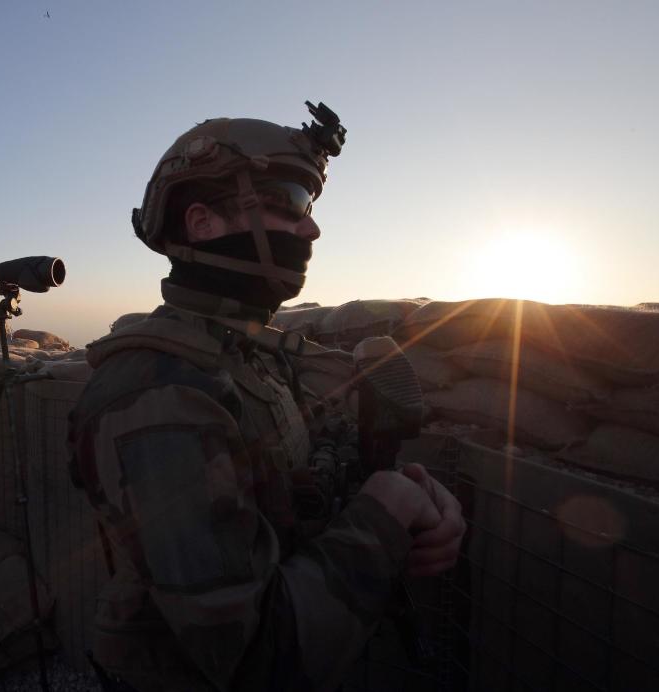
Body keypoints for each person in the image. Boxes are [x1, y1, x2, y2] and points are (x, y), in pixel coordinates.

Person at [68, 103, 465, 691]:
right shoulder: (159, 394)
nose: (311, 228)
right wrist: (386, 515)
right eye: (290, 203)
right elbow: (256, 661)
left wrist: (409, 495)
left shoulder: (253, 353)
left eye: (309, 207)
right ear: (202, 223)